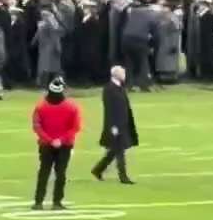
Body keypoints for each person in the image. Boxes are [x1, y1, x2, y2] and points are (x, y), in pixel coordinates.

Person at [31, 78, 82, 211]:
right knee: (61, 173)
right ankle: (57, 202)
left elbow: (37, 126)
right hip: (65, 145)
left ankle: (38, 202)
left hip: (46, 145)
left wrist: (49, 140)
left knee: (44, 172)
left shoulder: (40, 107)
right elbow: (76, 127)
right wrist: (61, 140)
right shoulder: (72, 107)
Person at [91, 65, 139, 185]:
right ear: (116, 74)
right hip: (115, 125)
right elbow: (110, 109)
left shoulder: (120, 87)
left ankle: (97, 170)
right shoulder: (109, 89)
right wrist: (113, 126)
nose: (124, 75)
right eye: (123, 73)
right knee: (119, 151)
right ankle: (123, 177)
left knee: (114, 151)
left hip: (122, 124)